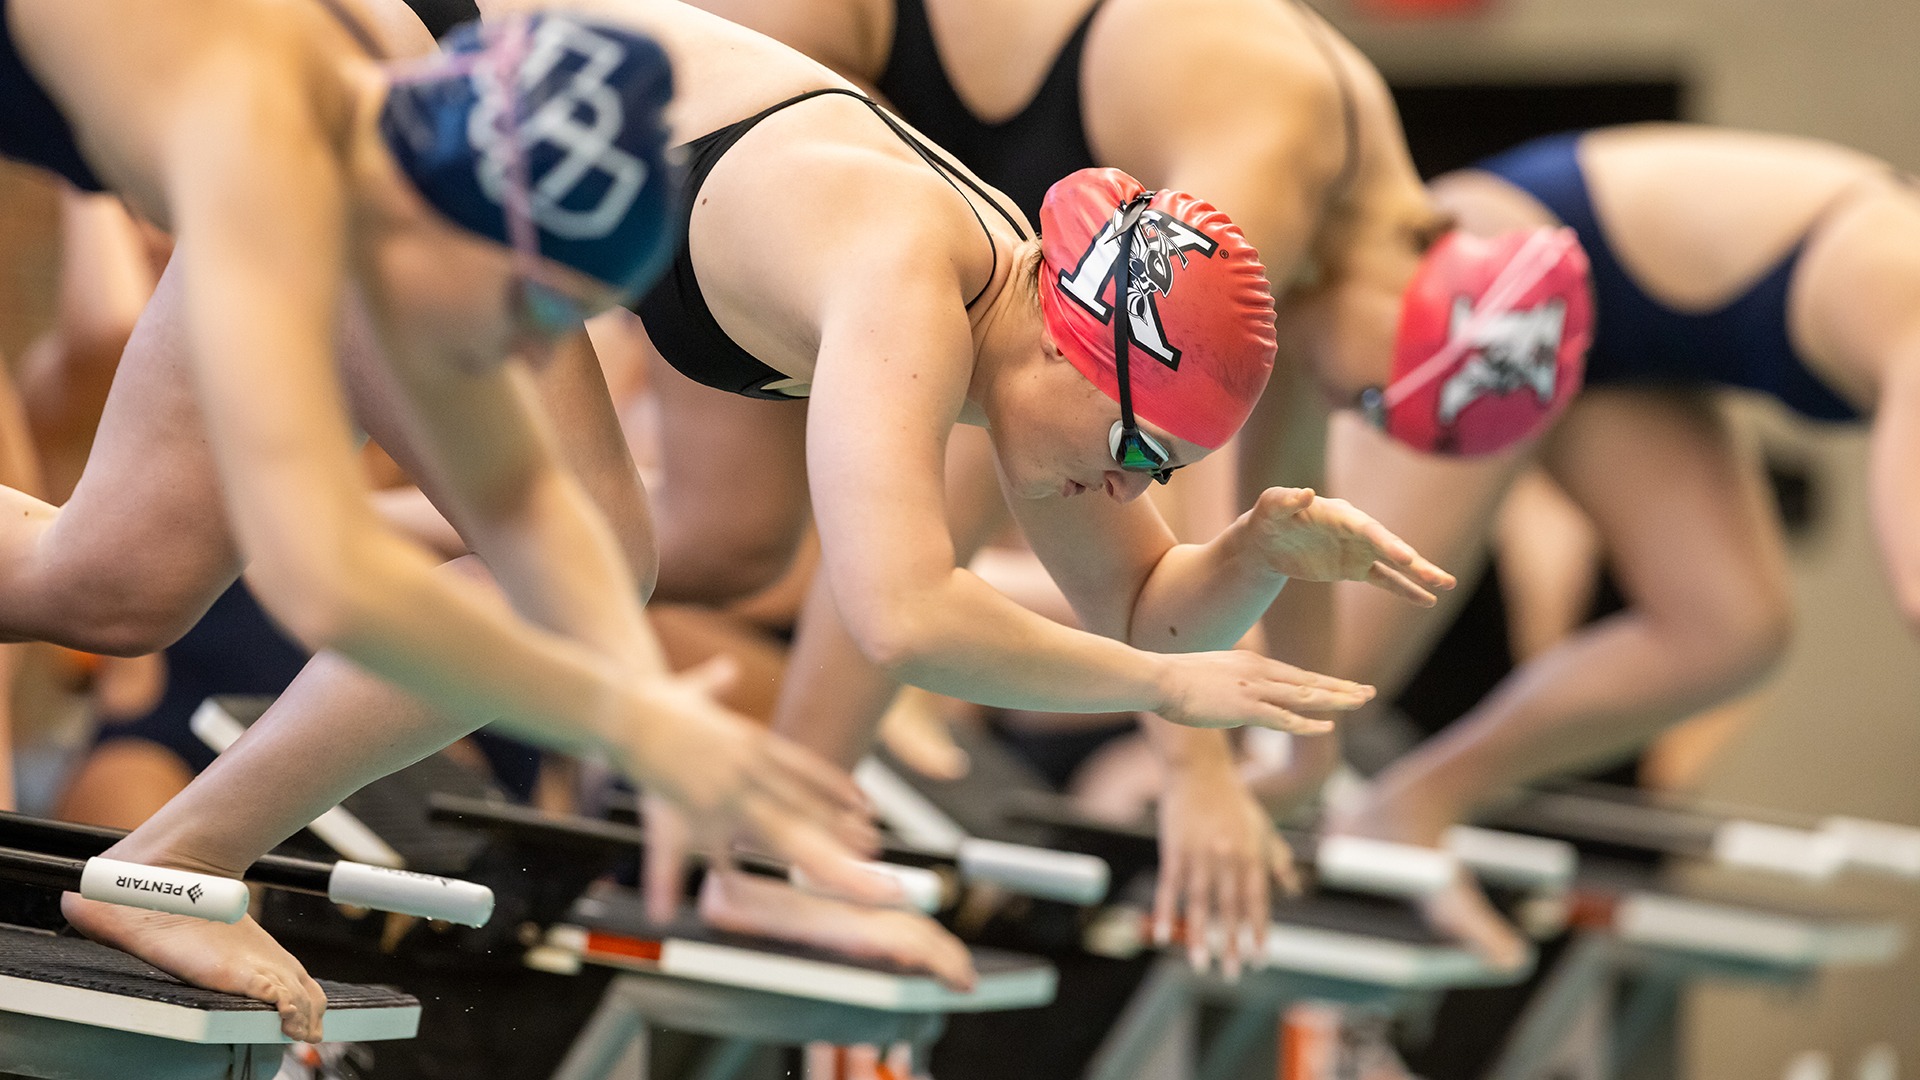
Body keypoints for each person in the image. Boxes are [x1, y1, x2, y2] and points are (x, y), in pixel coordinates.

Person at [0, 0, 882, 1039]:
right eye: (524, 310)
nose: (529, 354)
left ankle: (170, 864)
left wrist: (651, 710)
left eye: (564, 321)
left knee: (119, 583)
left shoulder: (400, 162)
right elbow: (321, 570)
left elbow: (535, 512)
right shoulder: (280, 158)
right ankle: (178, 859)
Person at [685, 0, 1578, 976]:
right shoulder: (1279, 143)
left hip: (953, 216)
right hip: (822, 39)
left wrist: (1305, 753)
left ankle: (743, 794)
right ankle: (770, 842)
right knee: (870, 505)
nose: (1342, 406)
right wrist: (1194, 766)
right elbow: (1132, 479)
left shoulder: (1331, 258)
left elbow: (1258, 503)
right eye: (1369, 396)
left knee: (740, 537)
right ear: (1416, 289)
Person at [1316, 123, 1920, 964]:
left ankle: (1412, 806)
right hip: (1513, 255)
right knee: (1340, 659)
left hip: (1634, 343)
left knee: (1730, 631)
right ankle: (1158, 739)